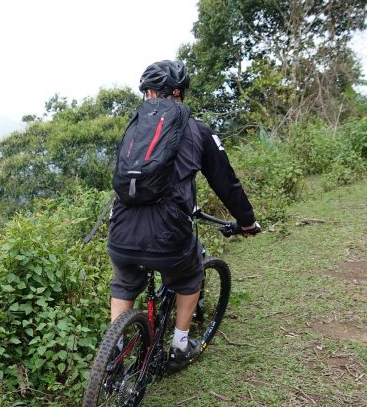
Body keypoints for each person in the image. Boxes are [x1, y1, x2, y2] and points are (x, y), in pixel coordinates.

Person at [108, 60, 260, 372]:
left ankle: (116, 350)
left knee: (124, 282)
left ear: (148, 93)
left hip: (121, 229)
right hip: (168, 231)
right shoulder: (198, 129)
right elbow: (226, 182)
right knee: (189, 275)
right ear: (180, 93)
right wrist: (246, 221)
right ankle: (179, 345)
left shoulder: (135, 127)